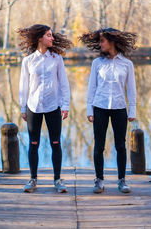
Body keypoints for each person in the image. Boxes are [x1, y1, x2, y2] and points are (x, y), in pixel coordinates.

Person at [79, 28, 137, 194]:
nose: (100, 44)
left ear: (112, 42)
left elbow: (131, 89)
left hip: (119, 108)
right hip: (100, 107)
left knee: (120, 146)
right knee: (99, 146)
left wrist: (132, 110)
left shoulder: (127, 64)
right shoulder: (97, 63)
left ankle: (122, 180)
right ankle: (99, 180)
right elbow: (92, 88)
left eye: (102, 41)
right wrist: (89, 109)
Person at [17, 24, 72, 193]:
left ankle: (57, 180)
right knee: (33, 144)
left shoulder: (57, 59)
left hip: (53, 107)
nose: (52, 38)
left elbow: (64, 84)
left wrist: (65, 105)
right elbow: (23, 86)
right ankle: (33, 179)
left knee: (56, 143)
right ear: (40, 38)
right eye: (49, 35)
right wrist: (23, 107)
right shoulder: (28, 61)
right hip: (33, 107)